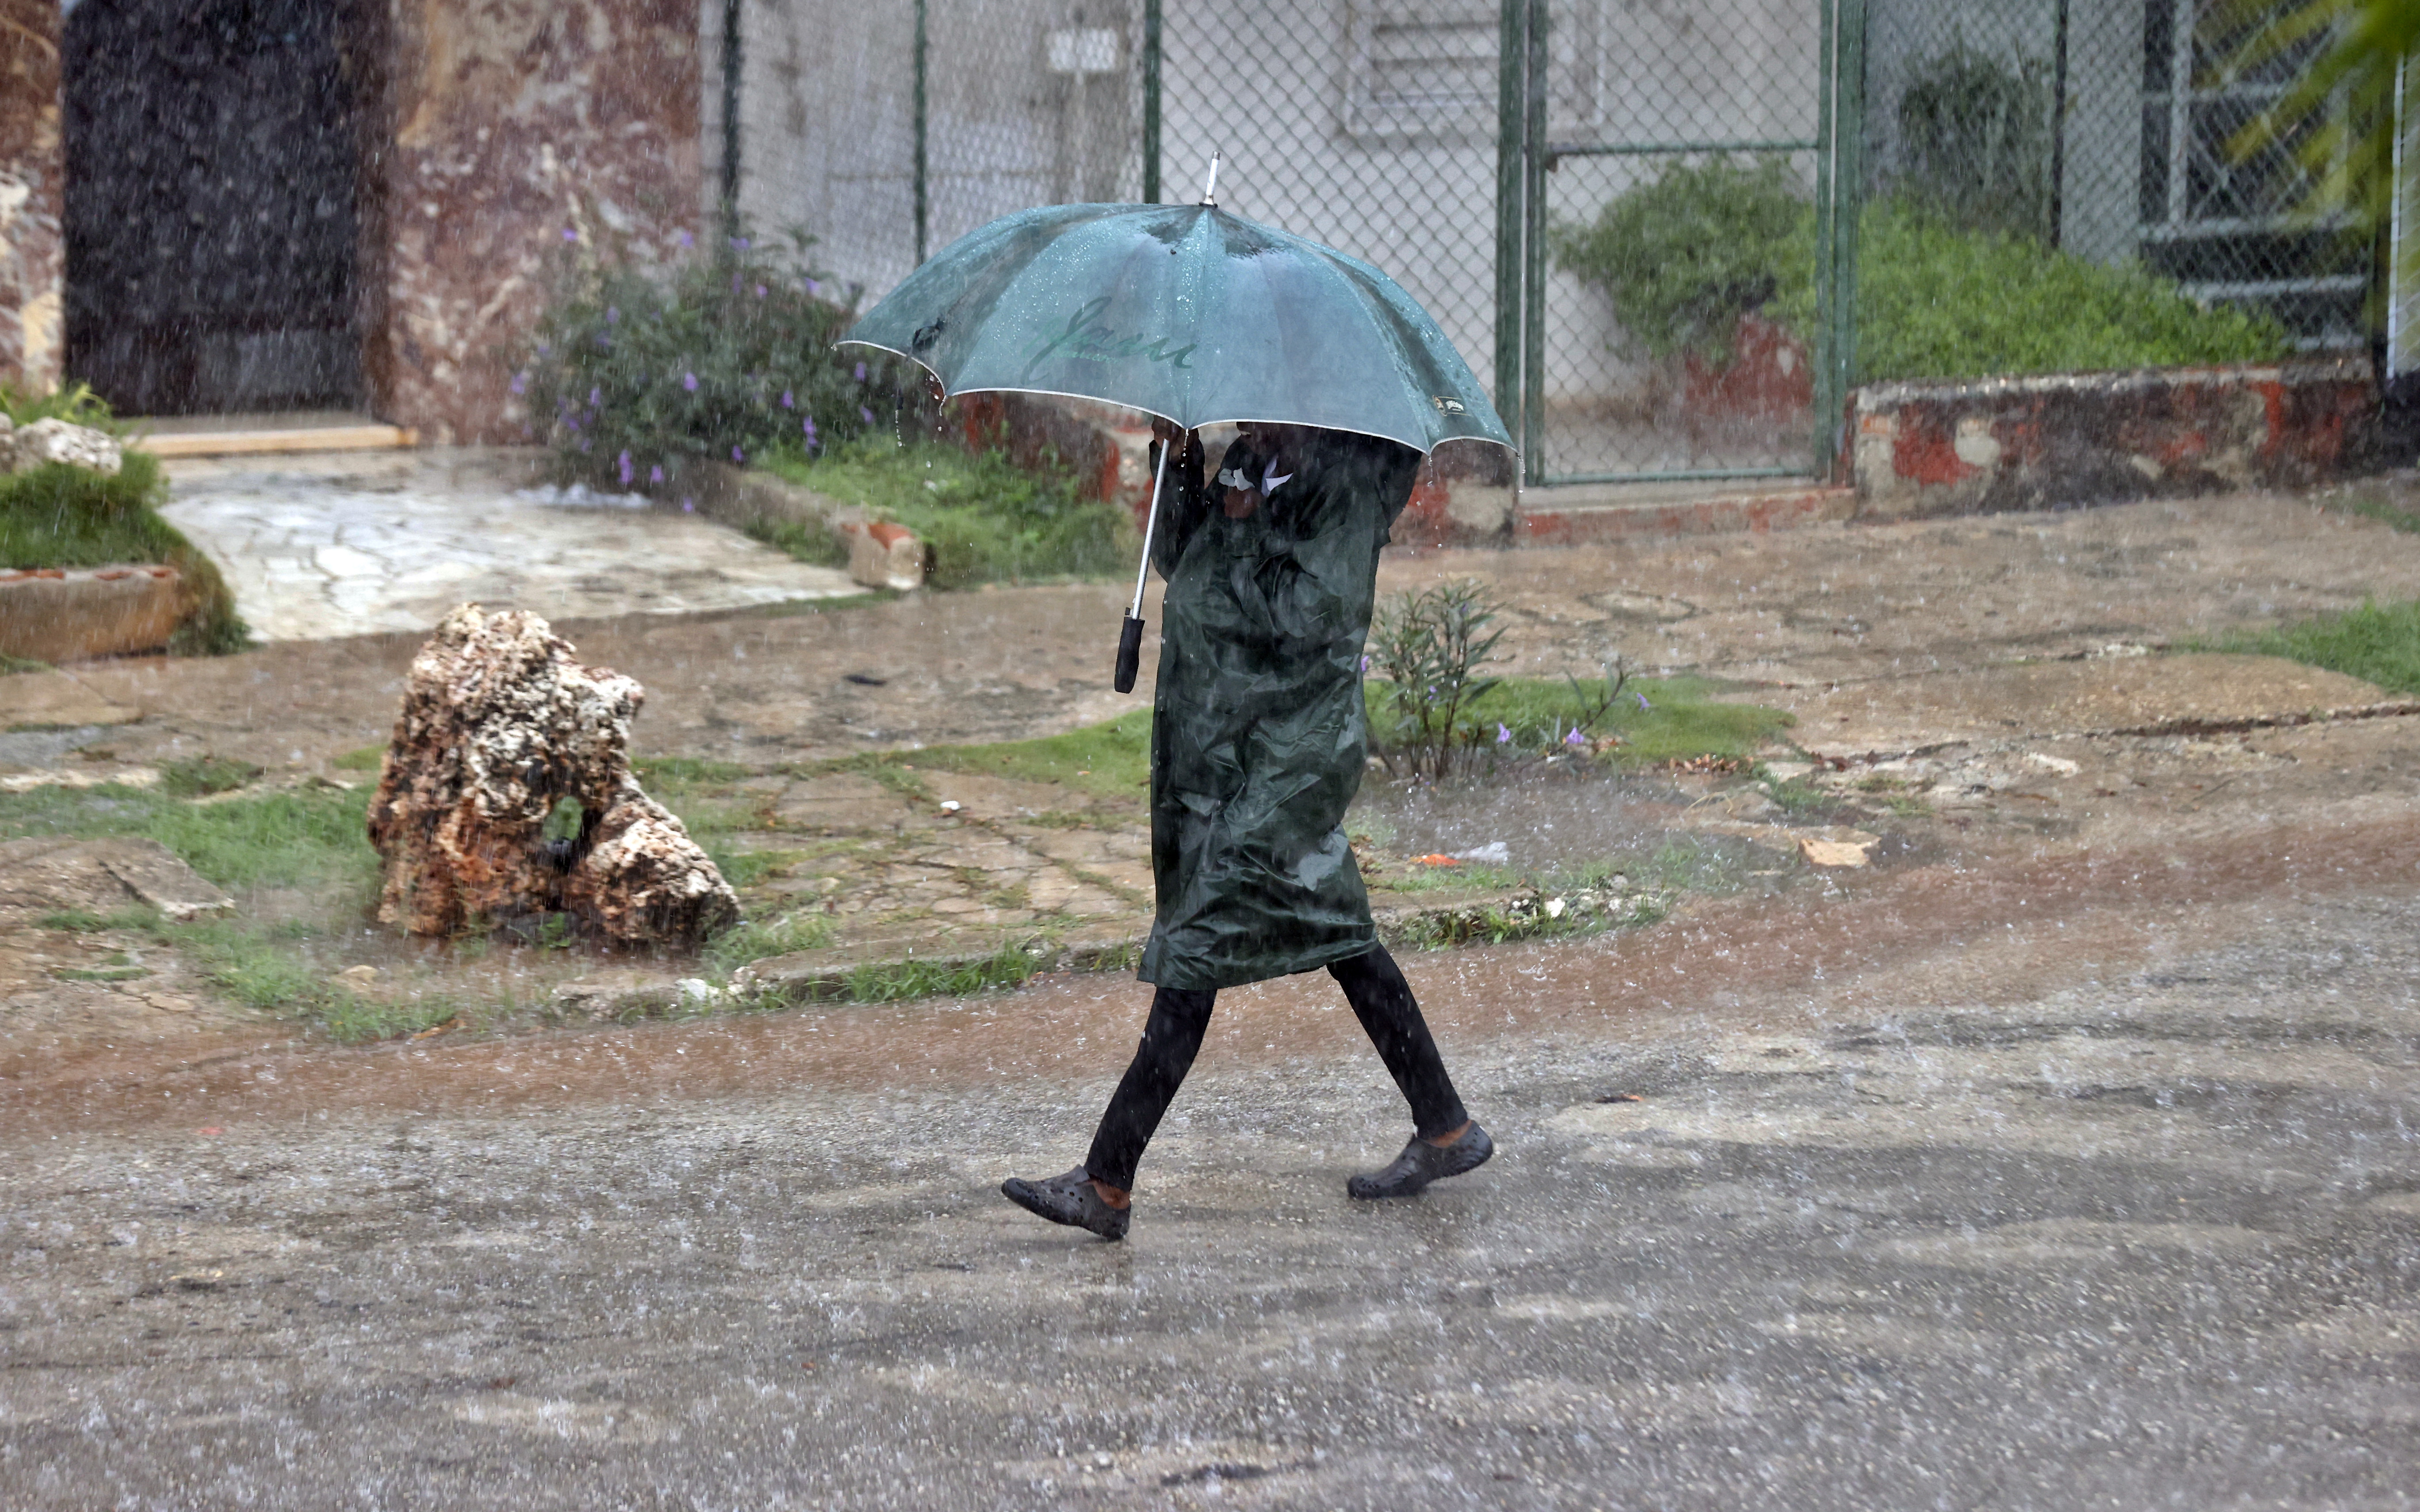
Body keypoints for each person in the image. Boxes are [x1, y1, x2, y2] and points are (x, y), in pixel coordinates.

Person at [1002, 418, 1493, 1241]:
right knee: (1336, 933)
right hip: (1229, 743)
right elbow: (1183, 562)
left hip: (1292, 750)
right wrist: (1182, 460)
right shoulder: (1260, 457)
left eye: (1264, 411)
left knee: (1200, 940)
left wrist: (1238, 537)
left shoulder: (1341, 482)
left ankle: (1107, 1180)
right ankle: (1446, 1126)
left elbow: (1310, 615)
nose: (1251, 423)